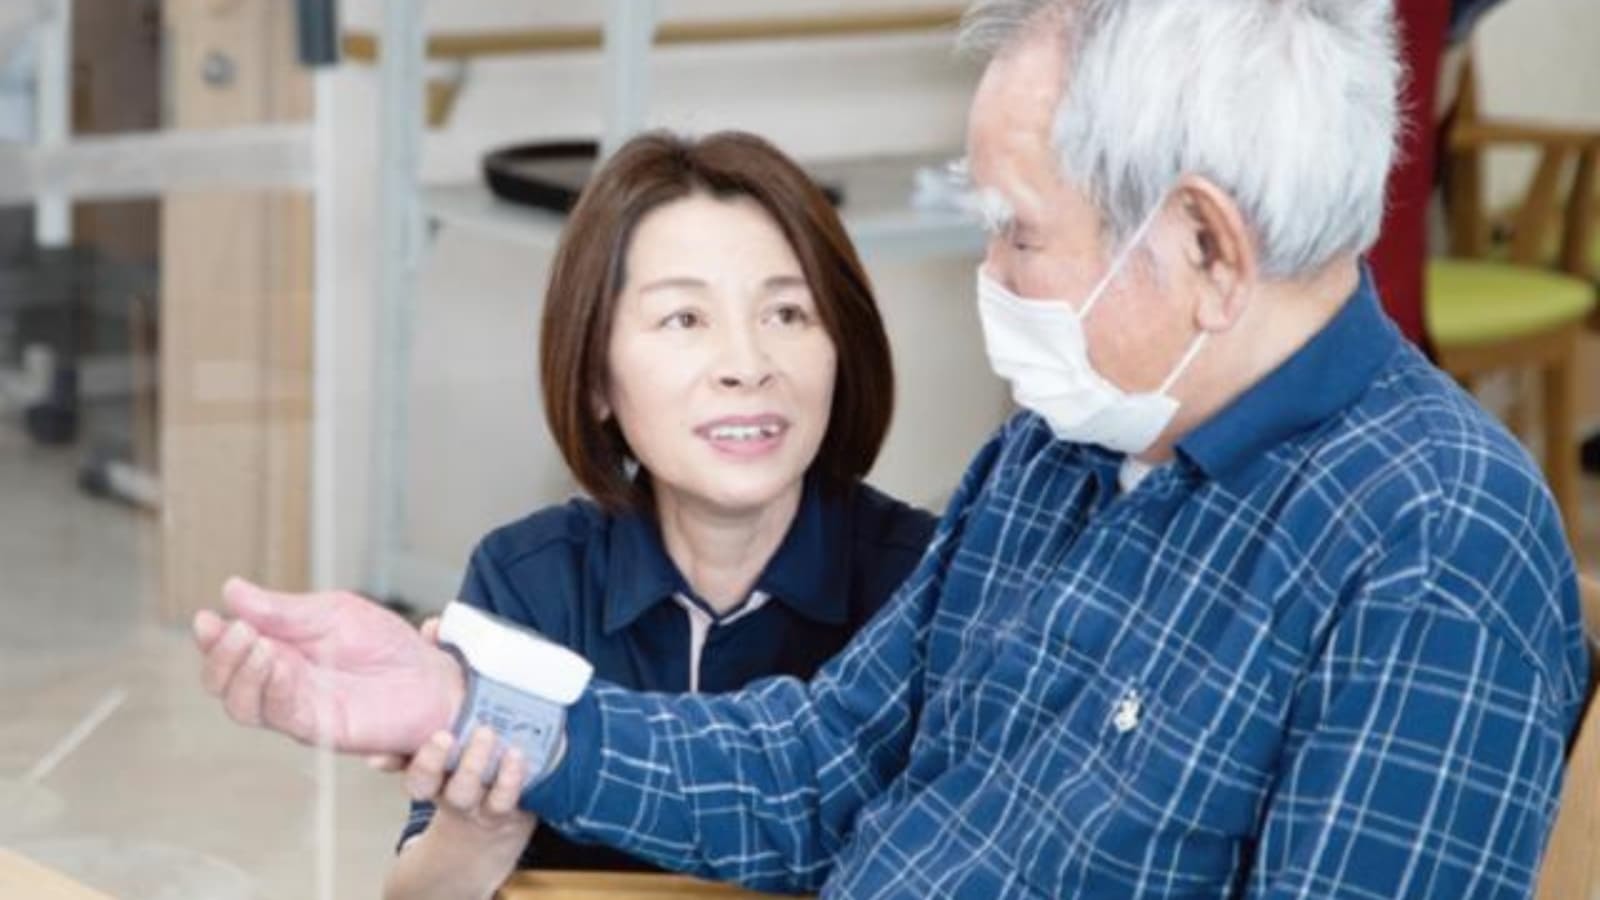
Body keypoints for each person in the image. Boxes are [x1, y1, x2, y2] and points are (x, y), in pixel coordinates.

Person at [195, 2, 1591, 897]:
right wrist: (458, 701)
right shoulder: (1059, 454)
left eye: (1018, 229)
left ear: (1209, 247)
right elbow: (812, 766)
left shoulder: (1433, 546)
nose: (988, 271)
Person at [370, 129, 936, 898]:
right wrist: (478, 830)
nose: (746, 365)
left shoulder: (928, 585)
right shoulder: (529, 584)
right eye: (685, 320)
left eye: (788, 314)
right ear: (597, 376)